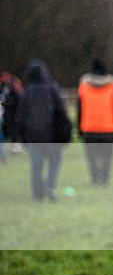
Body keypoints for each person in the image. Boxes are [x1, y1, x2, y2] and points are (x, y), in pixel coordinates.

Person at [18, 60, 69, 201]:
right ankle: (50, 186)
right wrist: (63, 133)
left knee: (36, 165)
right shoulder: (52, 89)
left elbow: (21, 116)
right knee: (55, 161)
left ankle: (37, 195)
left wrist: (22, 136)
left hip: (32, 135)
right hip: (50, 135)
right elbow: (61, 112)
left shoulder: (26, 92)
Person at [77, 59, 113, 185]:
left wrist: (79, 127)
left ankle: (94, 179)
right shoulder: (112, 86)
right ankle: (105, 179)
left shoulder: (84, 86)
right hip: (109, 127)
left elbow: (79, 109)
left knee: (91, 157)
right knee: (107, 157)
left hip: (89, 127)